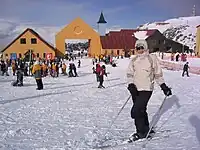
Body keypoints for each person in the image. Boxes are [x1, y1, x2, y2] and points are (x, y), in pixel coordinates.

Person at [126, 31, 172, 142]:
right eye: (137, 48)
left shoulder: (152, 58)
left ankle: (141, 133)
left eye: (141, 47)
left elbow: (158, 74)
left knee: (136, 111)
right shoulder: (134, 60)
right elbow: (129, 74)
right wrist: (131, 85)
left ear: (146, 47)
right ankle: (145, 129)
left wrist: (163, 86)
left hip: (146, 89)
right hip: (135, 89)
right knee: (142, 110)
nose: (139, 50)